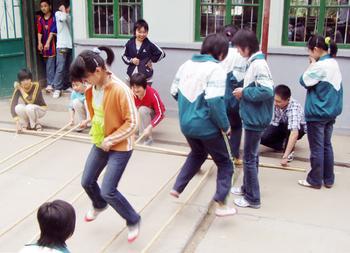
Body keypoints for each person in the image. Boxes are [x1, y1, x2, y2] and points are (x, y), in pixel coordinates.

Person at [70, 46, 141, 243]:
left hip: (119, 146)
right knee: (87, 181)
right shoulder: (93, 88)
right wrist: (90, 122)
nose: (85, 82)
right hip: (101, 141)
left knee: (108, 190)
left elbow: (133, 122)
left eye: (86, 78)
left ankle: (133, 219)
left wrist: (112, 138)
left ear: (98, 71)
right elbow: (100, 113)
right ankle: (99, 204)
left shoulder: (120, 89)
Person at [170, 33, 236, 217]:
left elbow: (174, 91)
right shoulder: (216, 69)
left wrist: (190, 107)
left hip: (186, 124)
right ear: (221, 53)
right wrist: (225, 126)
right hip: (206, 127)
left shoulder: (186, 65)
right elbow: (215, 101)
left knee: (198, 153)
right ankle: (221, 203)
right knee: (225, 163)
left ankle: (177, 187)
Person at [231, 29, 274, 209]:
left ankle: (253, 198)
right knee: (252, 156)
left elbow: (267, 91)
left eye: (239, 49)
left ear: (247, 48)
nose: (238, 52)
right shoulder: (254, 62)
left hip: (255, 119)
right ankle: (246, 187)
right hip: (253, 117)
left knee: (249, 158)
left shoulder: (258, 64)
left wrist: (244, 92)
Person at [298, 35, 343, 189]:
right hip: (330, 112)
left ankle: (315, 180)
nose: (309, 54)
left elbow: (303, 80)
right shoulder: (333, 63)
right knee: (326, 145)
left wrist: (311, 64)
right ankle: (328, 179)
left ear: (316, 49)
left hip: (318, 112)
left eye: (310, 51)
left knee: (316, 147)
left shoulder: (319, 66)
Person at [220, 24, 247, 165]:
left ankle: (221, 155)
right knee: (236, 126)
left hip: (221, 94)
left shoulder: (219, 52)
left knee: (220, 126)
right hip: (237, 95)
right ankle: (234, 155)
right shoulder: (242, 53)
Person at [261, 84, 306, 166]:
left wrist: (285, 156)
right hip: (282, 124)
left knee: (290, 129)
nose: (275, 103)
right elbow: (273, 122)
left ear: (288, 100)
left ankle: (289, 151)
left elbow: (294, 132)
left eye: (278, 101)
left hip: (297, 128)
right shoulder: (276, 103)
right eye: (274, 100)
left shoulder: (294, 108)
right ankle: (283, 143)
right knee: (262, 137)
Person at [122, 19, 165, 85]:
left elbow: (162, 53)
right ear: (135, 31)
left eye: (144, 32)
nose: (142, 34)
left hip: (146, 78)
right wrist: (131, 60)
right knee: (129, 95)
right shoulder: (129, 43)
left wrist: (151, 60)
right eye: (139, 32)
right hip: (131, 76)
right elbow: (123, 56)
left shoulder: (150, 44)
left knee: (145, 95)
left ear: (147, 32)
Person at [130, 73, 165, 145]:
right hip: (140, 113)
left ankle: (147, 138)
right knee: (133, 109)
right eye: (133, 87)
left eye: (138, 87)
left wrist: (150, 127)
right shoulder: (131, 94)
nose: (135, 90)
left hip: (152, 114)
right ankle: (139, 129)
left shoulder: (152, 94)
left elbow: (160, 114)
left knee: (142, 109)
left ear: (144, 86)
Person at [52, 0, 72, 99]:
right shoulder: (58, 14)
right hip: (62, 45)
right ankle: (57, 88)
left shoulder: (68, 15)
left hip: (69, 45)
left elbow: (68, 20)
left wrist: (66, 12)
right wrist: (63, 9)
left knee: (67, 66)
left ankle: (66, 85)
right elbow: (63, 19)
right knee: (60, 66)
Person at [37, 0, 57, 92]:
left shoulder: (54, 17)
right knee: (47, 64)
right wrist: (39, 42)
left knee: (51, 64)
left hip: (52, 44)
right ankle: (51, 83)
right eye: (42, 6)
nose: (43, 8)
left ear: (49, 6)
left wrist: (48, 43)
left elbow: (53, 32)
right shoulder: (40, 19)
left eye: (45, 6)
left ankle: (51, 84)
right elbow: (39, 31)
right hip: (44, 44)